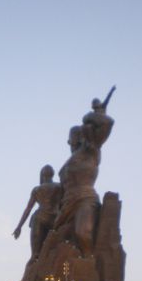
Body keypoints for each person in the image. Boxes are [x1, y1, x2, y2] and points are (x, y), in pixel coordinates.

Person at [54, 96, 114, 257]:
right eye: (70, 138)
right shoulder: (65, 166)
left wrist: (92, 115)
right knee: (56, 244)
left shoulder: (91, 151)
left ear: (81, 137)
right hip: (66, 205)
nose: (70, 142)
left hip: (84, 198)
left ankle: (88, 268)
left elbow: (107, 123)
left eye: (73, 137)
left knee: (83, 233)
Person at [13, 165, 62, 262]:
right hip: (56, 219)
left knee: (36, 218)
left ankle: (35, 254)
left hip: (41, 218)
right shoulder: (59, 186)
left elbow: (28, 209)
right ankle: (36, 255)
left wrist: (19, 227)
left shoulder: (37, 189)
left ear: (42, 175)